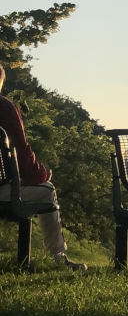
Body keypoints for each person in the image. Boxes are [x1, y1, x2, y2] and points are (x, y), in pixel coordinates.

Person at [0, 65, 86, 271]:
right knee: (47, 190)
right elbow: (20, 153)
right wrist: (41, 174)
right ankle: (57, 258)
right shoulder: (5, 109)